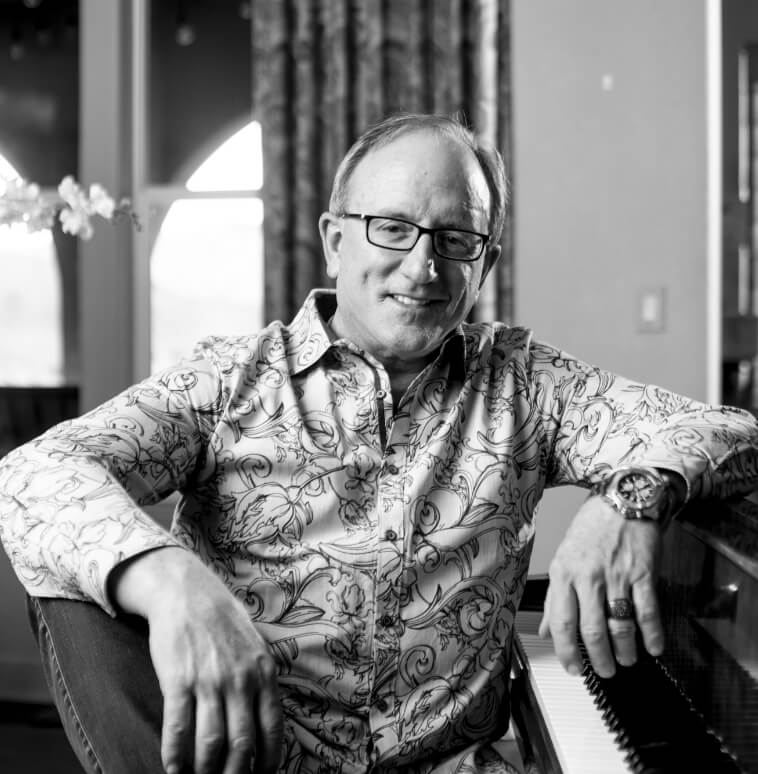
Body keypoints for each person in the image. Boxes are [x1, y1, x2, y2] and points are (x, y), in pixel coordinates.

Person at [1, 112, 757, 774]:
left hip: (454, 768)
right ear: (335, 239)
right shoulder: (230, 379)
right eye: (391, 227)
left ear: (485, 263)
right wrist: (171, 581)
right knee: (73, 584)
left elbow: (733, 431)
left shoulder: (527, 384)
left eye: (456, 238)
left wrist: (630, 498)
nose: (423, 266)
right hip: (244, 758)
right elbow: (33, 473)